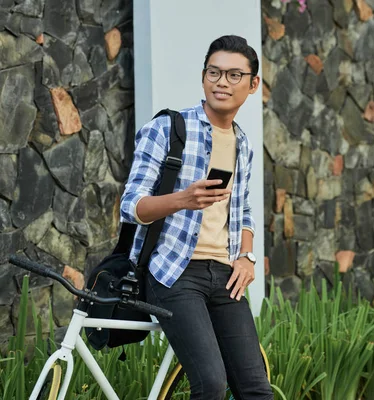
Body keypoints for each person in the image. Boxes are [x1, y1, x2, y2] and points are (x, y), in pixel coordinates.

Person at [120, 35, 273, 400]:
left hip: (225, 275)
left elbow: (243, 209)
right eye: (214, 72)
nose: (222, 82)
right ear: (203, 77)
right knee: (210, 386)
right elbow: (131, 205)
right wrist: (181, 199)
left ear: (253, 85)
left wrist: (247, 257)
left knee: (256, 389)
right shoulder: (168, 129)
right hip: (174, 271)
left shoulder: (244, 144)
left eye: (235, 75)